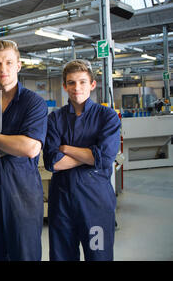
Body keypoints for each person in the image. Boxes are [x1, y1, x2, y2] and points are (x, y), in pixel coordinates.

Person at [43, 59, 121, 261]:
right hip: (62, 204)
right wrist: (91, 155)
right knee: (62, 257)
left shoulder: (107, 116)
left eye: (82, 82)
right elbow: (53, 162)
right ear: (64, 86)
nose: (77, 88)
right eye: (71, 82)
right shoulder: (55, 119)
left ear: (92, 84)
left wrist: (66, 148)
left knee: (98, 256)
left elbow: (104, 159)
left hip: (95, 203)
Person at [0, 40, 48, 261]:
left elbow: (30, 147)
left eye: (8, 62)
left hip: (22, 196)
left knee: (24, 256)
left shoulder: (34, 103)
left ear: (19, 65)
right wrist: (10, 143)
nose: (3, 69)